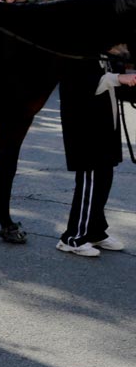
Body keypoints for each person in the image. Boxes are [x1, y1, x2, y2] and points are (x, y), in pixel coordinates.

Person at [52, 52, 132, 257]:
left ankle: (95, 231)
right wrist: (117, 78)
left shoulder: (107, 53)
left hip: (106, 126)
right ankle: (72, 238)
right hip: (86, 129)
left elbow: (120, 85)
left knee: (104, 178)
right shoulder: (76, 53)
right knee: (90, 181)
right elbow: (80, 85)